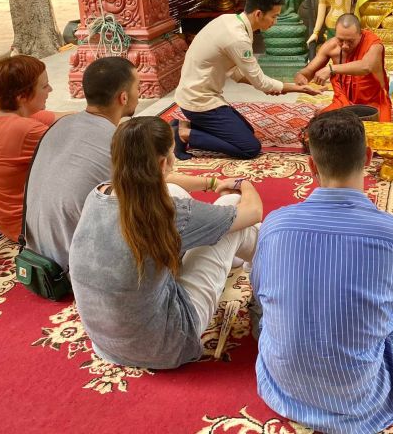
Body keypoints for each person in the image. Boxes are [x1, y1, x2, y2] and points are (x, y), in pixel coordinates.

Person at [252, 110, 393, 433]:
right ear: (368, 157)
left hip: (282, 389)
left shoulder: (274, 225)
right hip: (363, 399)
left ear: (311, 166)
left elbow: (260, 291)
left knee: (261, 307)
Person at [69, 116, 263, 369]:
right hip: (169, 345)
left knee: (183, 199)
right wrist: (242, 184)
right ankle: (263, 297)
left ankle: (234, 257)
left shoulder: (98, 194)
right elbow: (254, 212)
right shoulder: (167, 214)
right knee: (233, 209)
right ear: (164, 162)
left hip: (107, 345)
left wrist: (212, 183)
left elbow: (163, 182)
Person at [174, 0, 319, 160]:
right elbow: (262, 83)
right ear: (259, 14)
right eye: (274, 16)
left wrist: (273, 87)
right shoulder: (237, 38)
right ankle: (184, 134)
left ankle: (186, 125)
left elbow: (235, 72)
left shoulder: (229, 21)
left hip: (198, 96)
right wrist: (298, 88)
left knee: (247, 132)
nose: (275, 21)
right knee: (249, 148)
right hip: (199, 102)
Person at [24, 57, 140, 271]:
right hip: (78, 270)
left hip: (36, 256)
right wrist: (210, 182)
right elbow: (153, 185)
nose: (139, 94)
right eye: (138, 87)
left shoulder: (62, 125)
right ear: (123, 97)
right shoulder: (118, 141)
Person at [0, 55, 69, 240]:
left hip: (7, 222)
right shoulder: (25, 130)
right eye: (44, 86)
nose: (51, 90)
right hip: (29, 229)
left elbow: (69, 118)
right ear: (22, 96)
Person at [295, 13, 393, 122]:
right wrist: (301, 76)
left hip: (373, 104)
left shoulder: (374, 44)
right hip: (342, 103)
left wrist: (331, 69)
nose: (345, 45)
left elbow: (366, 67)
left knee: (378, 135)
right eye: (340, 40)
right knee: (317, 130)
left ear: (360, 34)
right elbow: (308, 71)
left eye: (350, 41)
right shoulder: (331, 46)